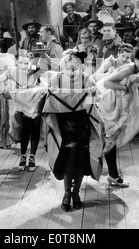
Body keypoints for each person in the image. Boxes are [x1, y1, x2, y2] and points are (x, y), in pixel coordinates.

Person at [42, 49, 105, 211]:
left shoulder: (86, 79)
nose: (72, 71)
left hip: (82, 125)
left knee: (81, 161)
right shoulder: (55, 80)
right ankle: (67, 193)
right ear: (62, 67)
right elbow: (49, 100)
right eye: (69, 67)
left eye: (76, 67)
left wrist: (91, 93)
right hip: (63, 128)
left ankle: (76, 192)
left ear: (82, 68)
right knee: (67, 161)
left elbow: (96, 100)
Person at [100, 46, 139, 186]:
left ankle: (113, 175)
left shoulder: (138, 70)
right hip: (111, 104)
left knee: (112, 139)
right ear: (136, 59)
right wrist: (126, 88)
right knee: (110, 138)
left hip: (122, 103)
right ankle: (112, 175)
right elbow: (107, 83)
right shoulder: (129, 69)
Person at [0, 49, 46, 171]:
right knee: (25, 129)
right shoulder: (12, 72)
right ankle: (23, 156)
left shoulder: (35, 69)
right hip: (21, 102)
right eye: (21, 63)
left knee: (35, 128)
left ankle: (32, 157)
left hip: (35, 100)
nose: (24, 66)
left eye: (26, 63)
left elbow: (46, 78)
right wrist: (4, 92)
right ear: (17, 62)